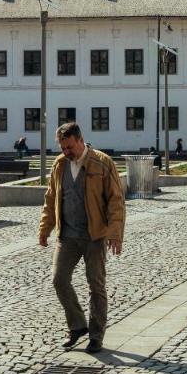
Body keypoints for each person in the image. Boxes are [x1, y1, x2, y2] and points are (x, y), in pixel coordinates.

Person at [38, 122, 125, 355]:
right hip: (67, 235)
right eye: (62, 147)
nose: (66, 152)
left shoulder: (102, 163)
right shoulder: (59, 164)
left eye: (69, 147)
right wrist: (45, 228)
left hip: (95, 236)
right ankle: (77, 326)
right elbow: (51, 198)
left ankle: (96, 336)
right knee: (59, 279)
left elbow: (116, 201)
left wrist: (115, 234)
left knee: (96, 285)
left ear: (80, 140)